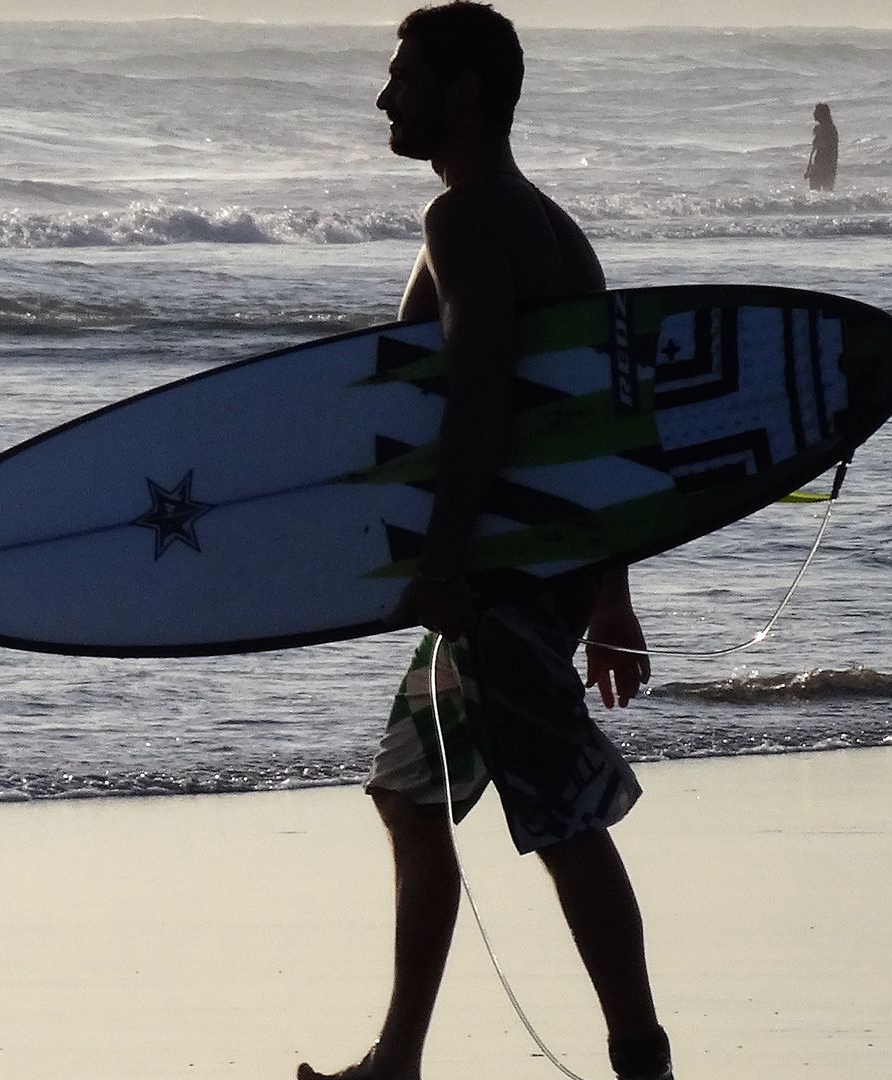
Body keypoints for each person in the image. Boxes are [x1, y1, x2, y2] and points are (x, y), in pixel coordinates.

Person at [297, 5, 671, 1080]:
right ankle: (397, 1062)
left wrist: (446, 562)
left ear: (462, 94)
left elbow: (477, 399)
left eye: (404, 76)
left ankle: (641, 1060)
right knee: (409, 794)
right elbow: (590, 432)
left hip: (500, 574)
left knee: (557, 819)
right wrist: (609, 593)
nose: (385, 97)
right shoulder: (546, 224)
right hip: (535, 567)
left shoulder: (466, 222)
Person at [805, 103, 839, 191]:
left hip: (826, 164)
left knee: (825, 191)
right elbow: (813, 151)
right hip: (819, 164)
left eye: (816, 112)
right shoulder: (819, 128)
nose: (814, 114)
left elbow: (829, 147)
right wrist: (808, 168)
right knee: (815, 191)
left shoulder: (830, 129)